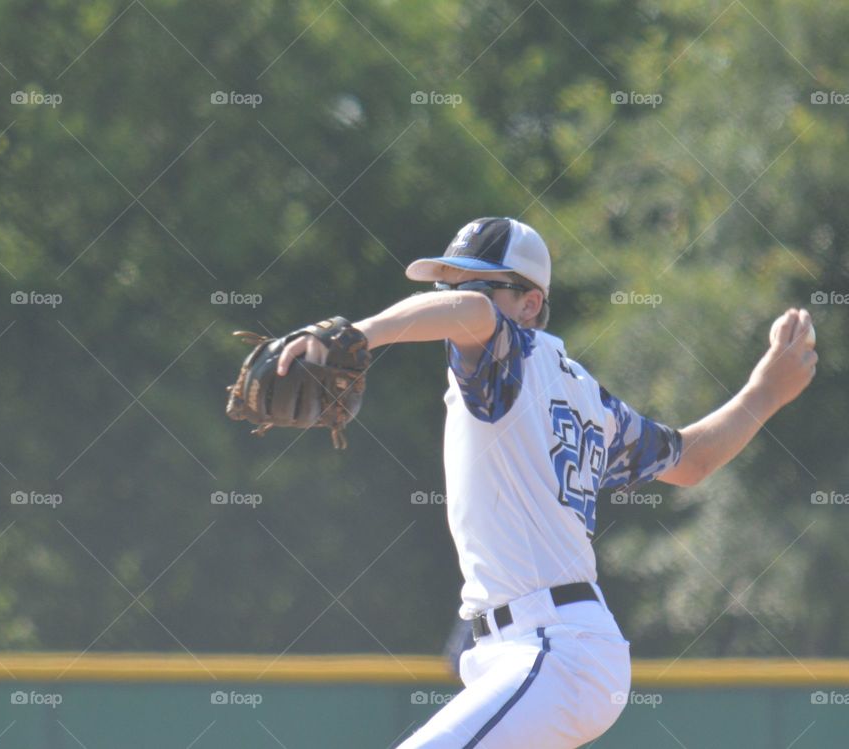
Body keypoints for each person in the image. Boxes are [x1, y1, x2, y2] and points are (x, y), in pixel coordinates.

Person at [277, 217, 817, 748]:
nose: (452, 296)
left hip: (554, 650)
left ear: (529, 303)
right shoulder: (585, 397)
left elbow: (470, 313)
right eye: (445, 285)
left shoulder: (504, 365)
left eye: (473, 284)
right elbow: (690, 459)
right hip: (543, 652)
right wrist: (764, 391)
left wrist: (357, 334)